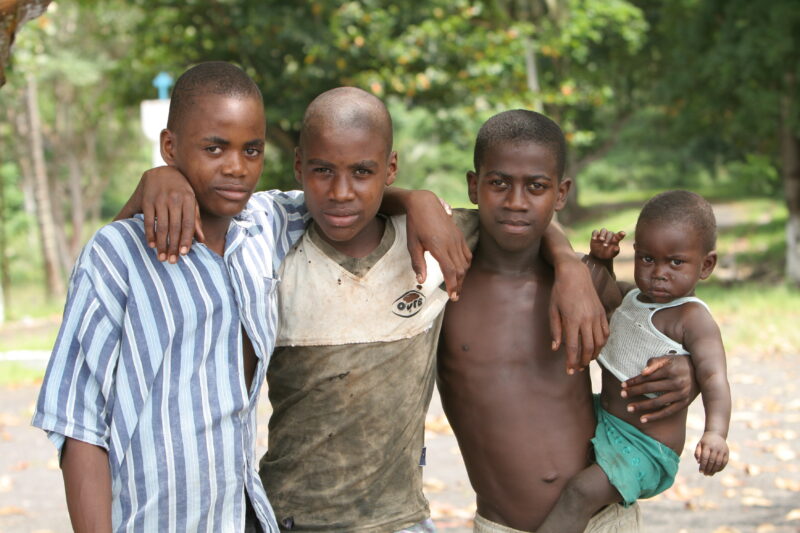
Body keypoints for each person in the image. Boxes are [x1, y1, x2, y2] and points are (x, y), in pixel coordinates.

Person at [123, 88, 611, 532]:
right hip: (287, 516)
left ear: (389, 169)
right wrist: (160, 179)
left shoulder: (437, 244)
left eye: (363, 172)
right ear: (298, 166)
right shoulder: (267, 249)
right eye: (322, 171)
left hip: (401, 520)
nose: (340, 191)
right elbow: (142, 243)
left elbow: (520, 223)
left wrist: (569, 265)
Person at [31, 61, 310, 532]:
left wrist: (414, 201)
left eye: (252, 149)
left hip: (244, 516)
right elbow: (79, 426)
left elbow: (344, 193)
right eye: (214, 147)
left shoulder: (266, 226)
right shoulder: (118, 253)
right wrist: (153, 180)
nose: (237, 167)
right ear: (169, 147)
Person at [437, 110, 699, 533]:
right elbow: (376, 209)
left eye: (536, 187)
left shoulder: (585, 285)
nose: (516, 201)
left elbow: (661, 329)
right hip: (501, 525)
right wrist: (411, 199)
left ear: (560, 194)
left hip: (602, 522)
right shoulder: (444, 285)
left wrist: (689, 371)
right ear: (474, 185)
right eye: (499, 183)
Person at [538, 190, 731, 533]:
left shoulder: (691, 319)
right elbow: (607, 298)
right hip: (606, 421)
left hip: (646, 448)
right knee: (549, 428)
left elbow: (714, 376)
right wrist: (602, 260)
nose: (658, 273)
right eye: (646, 259)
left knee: (579, 492)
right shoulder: (633, 297)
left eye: (675, 262)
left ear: (706, 265)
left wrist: (715, 433)